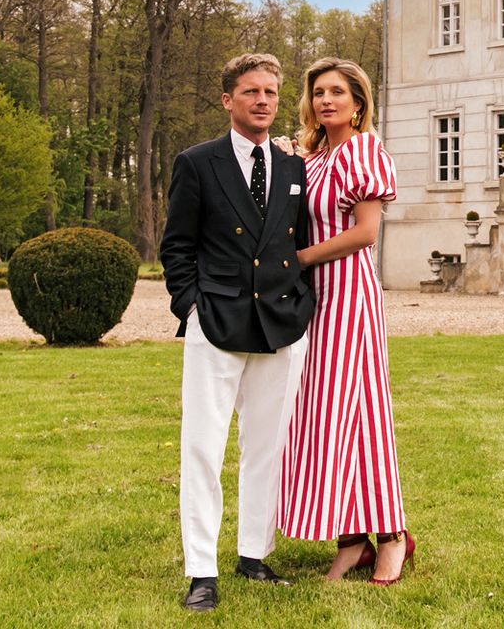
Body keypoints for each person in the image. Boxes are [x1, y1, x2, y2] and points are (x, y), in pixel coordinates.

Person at [160, 53, 315, 612]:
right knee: (202, 447)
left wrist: (301, 302)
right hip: (216, 320)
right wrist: (192, 305)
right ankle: (202, 569)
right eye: (251, 92)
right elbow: (177, 246)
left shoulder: (295, 168)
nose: (263, 101)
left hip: (280, 322)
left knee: (266, 447)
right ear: (228, 100)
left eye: (271, 92)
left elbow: (298, 242)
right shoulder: (197, 163)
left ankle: (254, 553)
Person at [277, 56, 415, 585]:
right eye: (318, 93)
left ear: (359, 103)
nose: (326, 100)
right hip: (313, 299)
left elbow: (365, 234)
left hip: (349, 293)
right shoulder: (311, 157)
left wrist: (300, 260)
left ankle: (392, 536)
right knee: (328, 416)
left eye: (337, 92)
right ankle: (352, 538)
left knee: (363, 413)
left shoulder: (363, 150)